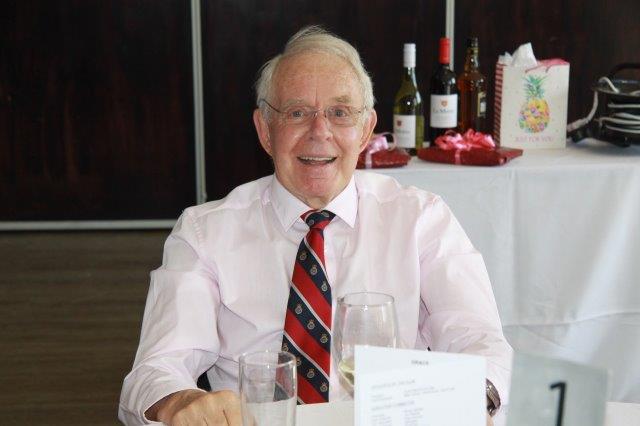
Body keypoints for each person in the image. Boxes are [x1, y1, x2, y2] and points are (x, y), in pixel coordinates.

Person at [119, 26, 512, 425]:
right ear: (264, 130)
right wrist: (179, 401)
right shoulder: (205, 233)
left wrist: (475, 398)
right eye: (297, 113)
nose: (319, 132)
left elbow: (478, 339)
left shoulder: (420, 219)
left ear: (366, 130)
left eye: (340, 113)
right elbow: (156, 369)